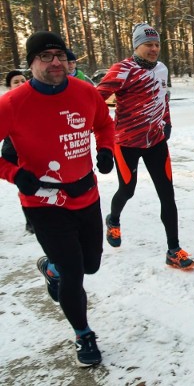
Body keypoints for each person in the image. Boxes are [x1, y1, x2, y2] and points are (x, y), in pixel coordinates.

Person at [0, 31, 115, 366]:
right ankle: (83, 334)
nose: (55, 62)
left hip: (86, 194)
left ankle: (51, 269)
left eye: (60, 55)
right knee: (74, 272)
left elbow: (104, 126)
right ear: (31, 62)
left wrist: (105, 150)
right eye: (46, 56)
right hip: (44, 202)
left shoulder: (85, 91)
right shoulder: (12, 103)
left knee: (90, 263)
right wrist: (15, 173)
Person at [96, 23, 194, 270]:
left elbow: (163, 97)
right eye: (148, 44)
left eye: (157, 44)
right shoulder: (122, 70)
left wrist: (167, 122)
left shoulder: (162, 69)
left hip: (156, 142)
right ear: (136, 46)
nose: (154, 49)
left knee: (167, 195)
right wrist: (106, 135)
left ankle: (173, 249)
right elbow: (95, 101)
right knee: (127, 190)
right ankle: (113, 219)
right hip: (127, 143)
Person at [2, 70, 33, 233]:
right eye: (16, 82)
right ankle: (30, 221)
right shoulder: (6, 105)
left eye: (23, 80)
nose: (20, 84)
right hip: (12, 153)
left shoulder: (33, 102)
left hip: (30, 151)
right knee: (25, 186)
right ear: (8, 87)